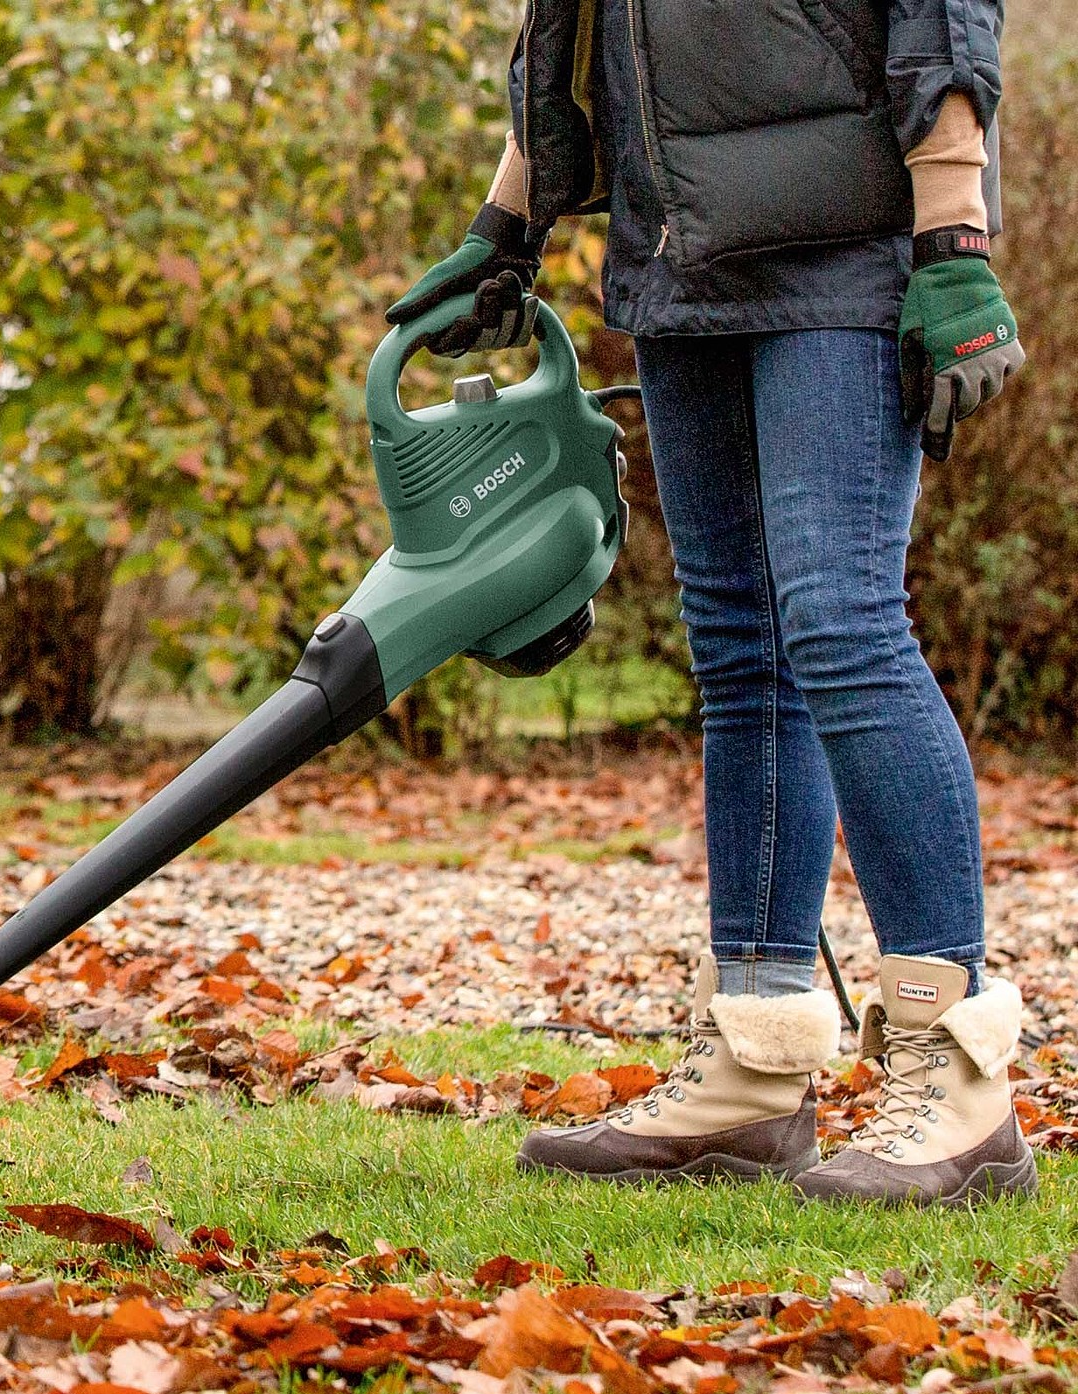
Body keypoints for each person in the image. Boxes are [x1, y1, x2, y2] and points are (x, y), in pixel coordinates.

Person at [388, 0, 1033, 1205]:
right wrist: (507, 220)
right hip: (676, 251)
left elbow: (937, 16)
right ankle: (754, 1058)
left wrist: (953, 239)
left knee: (840, 620)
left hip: (843, 243)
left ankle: (957, 1082)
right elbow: (572, 30)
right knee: (741, 650)